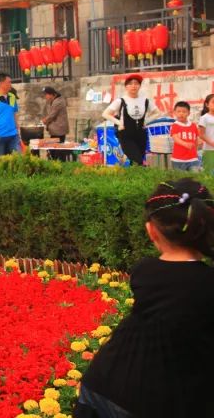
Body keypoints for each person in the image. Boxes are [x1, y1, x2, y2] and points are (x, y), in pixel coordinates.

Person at [76, 179, 214, 418]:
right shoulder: (206, 282)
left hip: (103, 382)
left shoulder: (144, 271)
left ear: (151, 230)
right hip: (159, 400)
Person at [102, 74, 156, 168]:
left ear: (140, 86)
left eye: (136, 83)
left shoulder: (145, 100)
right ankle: (140, 176)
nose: (133, 86)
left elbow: (158, 113)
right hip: (126, 134)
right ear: (126, 86)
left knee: (136, 161)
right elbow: (105, 114)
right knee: (137, 159)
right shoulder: (121, 101)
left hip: (140, 134)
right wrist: (119, 123)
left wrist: (147, 121)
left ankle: (133, 179)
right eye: (130, 84)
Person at [169, 101, 202, 173]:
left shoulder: (193, 126)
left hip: (193, 159)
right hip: (178, 160)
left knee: (195, 178)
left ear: (189, 113)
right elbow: (176, 139)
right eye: (179, 111)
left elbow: (196, 140)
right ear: (174, 112)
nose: (181, 114)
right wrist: (185, 144)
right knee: (181, 180)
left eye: (184, 112)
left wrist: (196, 152)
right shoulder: (174, 125)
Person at [41, 86, 70, 161]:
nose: (45, 96)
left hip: (59, 130)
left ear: (51, 94)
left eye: (46, 94)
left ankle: (59, 164)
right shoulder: (55, 100)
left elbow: (52, 115)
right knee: (53, 149)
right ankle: (54, 162)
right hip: (56, 130)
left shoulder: (58, 102)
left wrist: (44, 121)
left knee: (58, 150)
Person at [199, 94, 214, 174]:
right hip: (209, 150)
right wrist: (211, 143)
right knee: (209, 174)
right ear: (207, 104)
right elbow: (201, 134)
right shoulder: (204, 118)